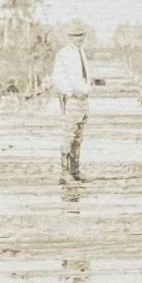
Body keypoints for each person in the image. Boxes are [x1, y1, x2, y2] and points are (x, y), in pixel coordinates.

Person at [50, 21, 93, 183]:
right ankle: (64, 172)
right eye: (75, 36)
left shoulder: (81, 53)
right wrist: (70, 91)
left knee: (79, 136)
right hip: (73, 100)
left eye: (81, 35)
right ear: (69, 37)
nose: (79, 39)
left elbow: (84, 76)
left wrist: (87, 89)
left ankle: (75, 170)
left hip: (84, 99)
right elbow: (57, 78)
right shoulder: (64, 54)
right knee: (69, 134)